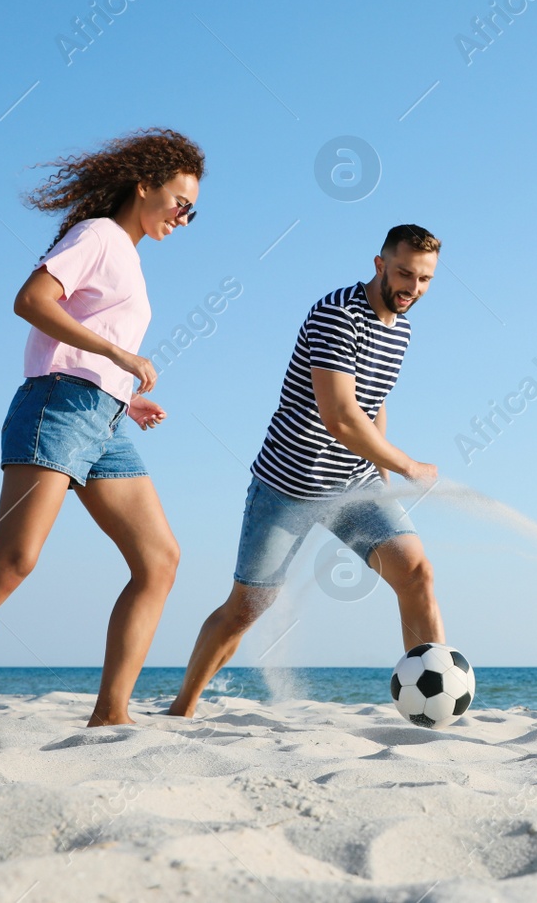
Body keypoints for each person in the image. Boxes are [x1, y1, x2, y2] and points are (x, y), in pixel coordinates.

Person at [0, 128, 202, 726]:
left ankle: (110, 715)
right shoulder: (99, 235)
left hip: (104, 419)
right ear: (144, 187)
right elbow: (32, 301)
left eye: (194, 211)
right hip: (57, 410)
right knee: (12, 562)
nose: (185, 218)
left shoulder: (128, 255)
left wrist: (123, 394)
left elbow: (84, 340)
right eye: (180, 202)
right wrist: (119, 360)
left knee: (159, 560)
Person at [169, 225, 444, 717]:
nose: (413, 289)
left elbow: (373, 403)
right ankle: (181, 709)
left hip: (354, 484)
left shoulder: (401, 328)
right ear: (379, 264)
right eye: (404, 273)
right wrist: (406, 465)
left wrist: (381, 484)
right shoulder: (337, 315)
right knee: (246, 609)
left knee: (416, 572)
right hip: (287, 485)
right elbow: (340, 416)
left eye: (424, 280)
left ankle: (433, 705)